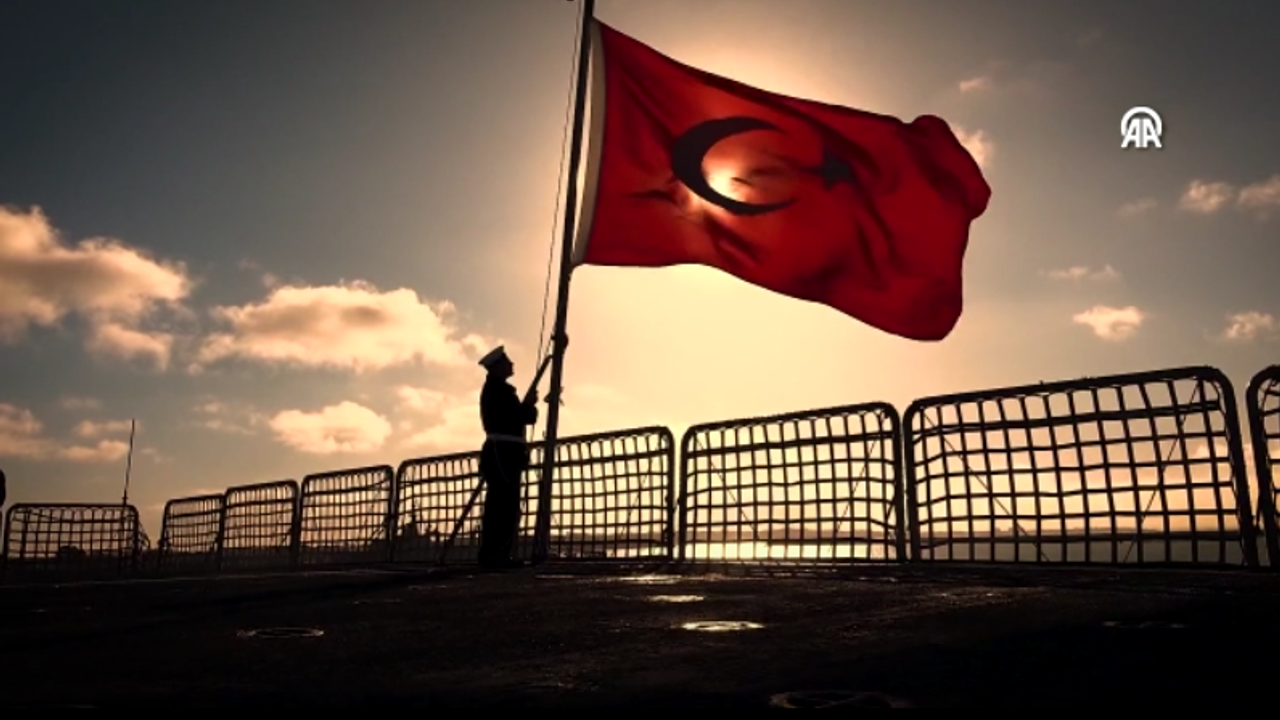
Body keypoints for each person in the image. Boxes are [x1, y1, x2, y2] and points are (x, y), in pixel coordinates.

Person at [476, 346, 538, 569]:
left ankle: (497, 555)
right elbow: (517, 417)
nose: (511, 364)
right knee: (503, 508)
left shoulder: (496, 390)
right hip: (503, 454)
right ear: (497, 367)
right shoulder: (499, 391)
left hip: (503, 454)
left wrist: (526, 407)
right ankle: (496, 557)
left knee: (501, 506)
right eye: (507, 362)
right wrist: (528, 406)